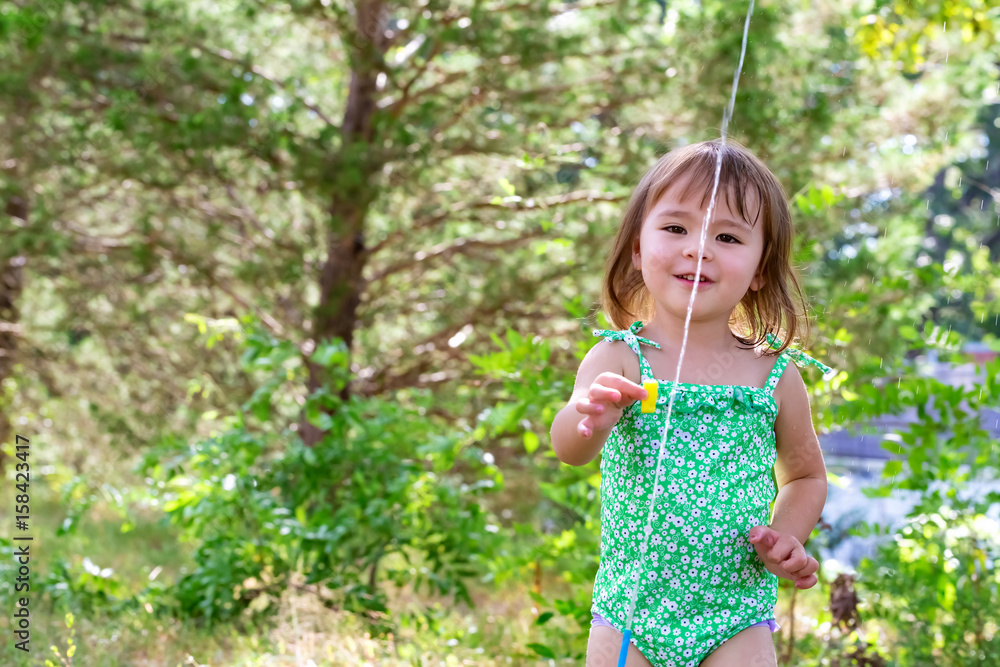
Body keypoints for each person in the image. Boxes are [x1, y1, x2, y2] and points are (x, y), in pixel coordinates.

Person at [549, 139, 837, 667]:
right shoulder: (619, 357)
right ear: (638, 247)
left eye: (727, 236)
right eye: (676, 228)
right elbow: (569, 447)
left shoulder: (772, 373)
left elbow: (805, 476)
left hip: (734, 615)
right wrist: (589, 417)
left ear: (760, 269)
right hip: (628, 616)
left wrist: (786, 537)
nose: (698, 248)